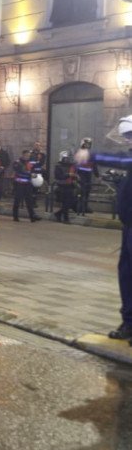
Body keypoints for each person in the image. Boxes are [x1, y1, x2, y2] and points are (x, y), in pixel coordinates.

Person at [76, 121, 132, 342]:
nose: (127, 139)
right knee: (126, 275)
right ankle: (128, 323)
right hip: (128, 227)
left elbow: (122, 159)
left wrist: (92, 155)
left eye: (130, 135)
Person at [12, 149, 40, 222]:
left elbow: (32, 170)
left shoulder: (29, 163)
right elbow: (21, 172)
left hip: (27, 184)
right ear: (23, 155)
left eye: (29, 156)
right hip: (19, 184)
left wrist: (35, 173)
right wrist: (30, 174)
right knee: (17, 201)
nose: (28, 157)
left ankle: (32, 216)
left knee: (29, 201)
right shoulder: (17, 162)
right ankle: (15, 216)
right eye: (26, 155)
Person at [53, 151, 77, 224]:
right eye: (67, 158)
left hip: (70, 186)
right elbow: (59, 176)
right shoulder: (58, 166)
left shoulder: (71, 166)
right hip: (62, 186)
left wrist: (75, 177)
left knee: (72, 202)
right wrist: (69, 175)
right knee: (65, 203)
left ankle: (58, 214)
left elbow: (73, 174)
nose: (68, 160)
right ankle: (66, 218)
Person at [76, 137, 98, 215]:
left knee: (87, 191)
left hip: (88, 175)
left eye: (89, 144)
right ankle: (79, 207)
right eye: (86, 144)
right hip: (81, 175)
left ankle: (85, 207)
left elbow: (94, 165)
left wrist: (97, 176)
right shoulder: (80, 153)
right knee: (82, 192)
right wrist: (76, 174)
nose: (87, 145)